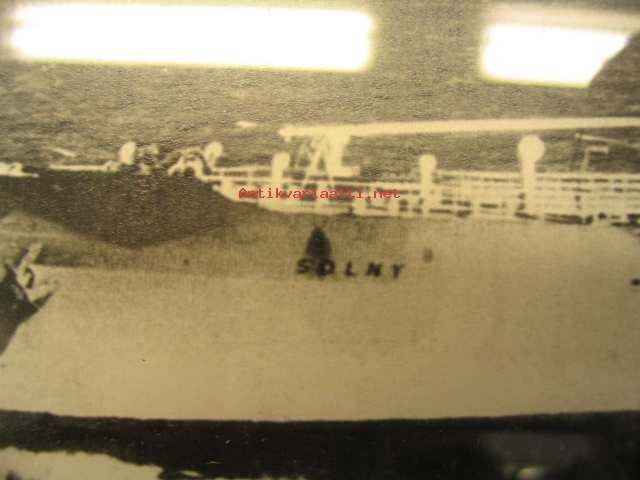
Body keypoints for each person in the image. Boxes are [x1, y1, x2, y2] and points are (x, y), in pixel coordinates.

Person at [0, 244, 57, 355]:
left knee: (16, 289)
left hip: (11, 305)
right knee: (22, 295)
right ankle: (28, 260)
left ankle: (28, 258)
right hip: (13, 309)